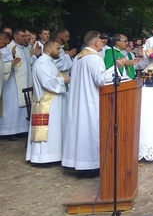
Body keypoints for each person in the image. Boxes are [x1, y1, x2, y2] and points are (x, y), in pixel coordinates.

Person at [62, 31, 107, 171]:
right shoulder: (95, 59)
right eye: (101, 41)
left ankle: (73, 162)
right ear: (96, 43)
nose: (102, 44)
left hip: (77, 100)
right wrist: (115, 69)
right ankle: (90, 164)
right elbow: (101, 80)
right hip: (90, 101)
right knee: (89, 130)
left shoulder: (78, 58)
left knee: (77, 131)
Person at [26, 41, 70, 164]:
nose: (59, 51)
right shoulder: (41, 64)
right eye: (57, 48)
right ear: (49, 49)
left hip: (53, 103)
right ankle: (42, 157)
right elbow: (47, 82)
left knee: (54, 130)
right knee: (46, 131)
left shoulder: (49, 62)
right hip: (46, 103)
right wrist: (63, 80)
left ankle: (54, 155)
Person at [0, 29, 31, 140]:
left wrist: (36, 55)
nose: (24, 38)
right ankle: (9, 131)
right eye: (22, 36)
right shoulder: (7, 47)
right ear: (15, 36)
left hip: (25, 82)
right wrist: (11, 62)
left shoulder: (26, 49)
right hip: (11, 83)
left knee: (23, 106)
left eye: (25, 36)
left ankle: (22, 129)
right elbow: (3, 64)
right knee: (11, 106)